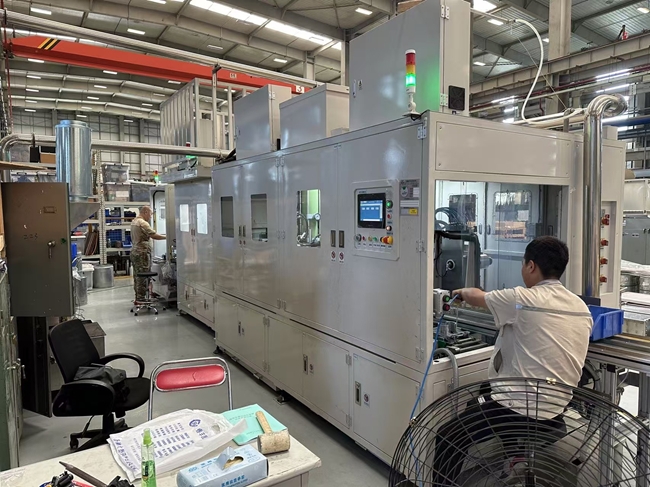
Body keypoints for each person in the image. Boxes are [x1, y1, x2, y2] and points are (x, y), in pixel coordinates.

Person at [432, 236, 593, 486]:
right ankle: (515, 455)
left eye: (523, 264)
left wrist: (459, 292)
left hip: (520, 410)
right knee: (485, 390)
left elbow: (477, 296)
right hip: (558, 404)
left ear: (531, 266)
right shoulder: (581, 307)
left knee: (447, 435)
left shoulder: (522, 299)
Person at [130, 206, 165, 303]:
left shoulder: (134, 221)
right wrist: (167, 237)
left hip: (135, 252)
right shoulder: (143, 223)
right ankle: (142, 299)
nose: (150, 216)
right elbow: (153, 235)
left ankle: (138, 297)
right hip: (142, 253)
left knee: (137, 276)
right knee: (143, 276)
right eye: (150, 214)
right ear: (145, 212)